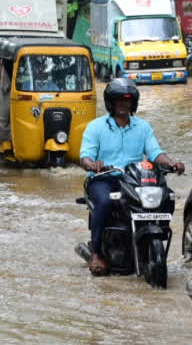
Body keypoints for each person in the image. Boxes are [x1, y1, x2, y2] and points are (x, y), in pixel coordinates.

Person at [79, 78, 185, 277]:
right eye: (118, 99)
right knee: (103, 202)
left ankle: (156, 235)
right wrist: (93, 164)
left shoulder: (143, 127)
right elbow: (85, 156)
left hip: (135, 180)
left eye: (127, 100)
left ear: (133, 103)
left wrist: (170, 162)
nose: (123, 103)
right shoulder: (96, 127)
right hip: (105, 178)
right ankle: (95, 252)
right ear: (110, 102)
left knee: (167, 196)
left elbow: (155, 153)